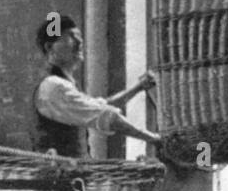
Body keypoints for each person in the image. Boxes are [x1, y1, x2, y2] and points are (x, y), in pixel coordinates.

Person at [32, 14, 160, 157]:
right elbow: (107, 116)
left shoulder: (62, 85)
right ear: (50, 47)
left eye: (79, 36)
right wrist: (154, 139)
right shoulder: (53, 87)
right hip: (64, 174)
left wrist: (138, 87)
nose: (79, 42)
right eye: (70, 36)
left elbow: (101, 107)